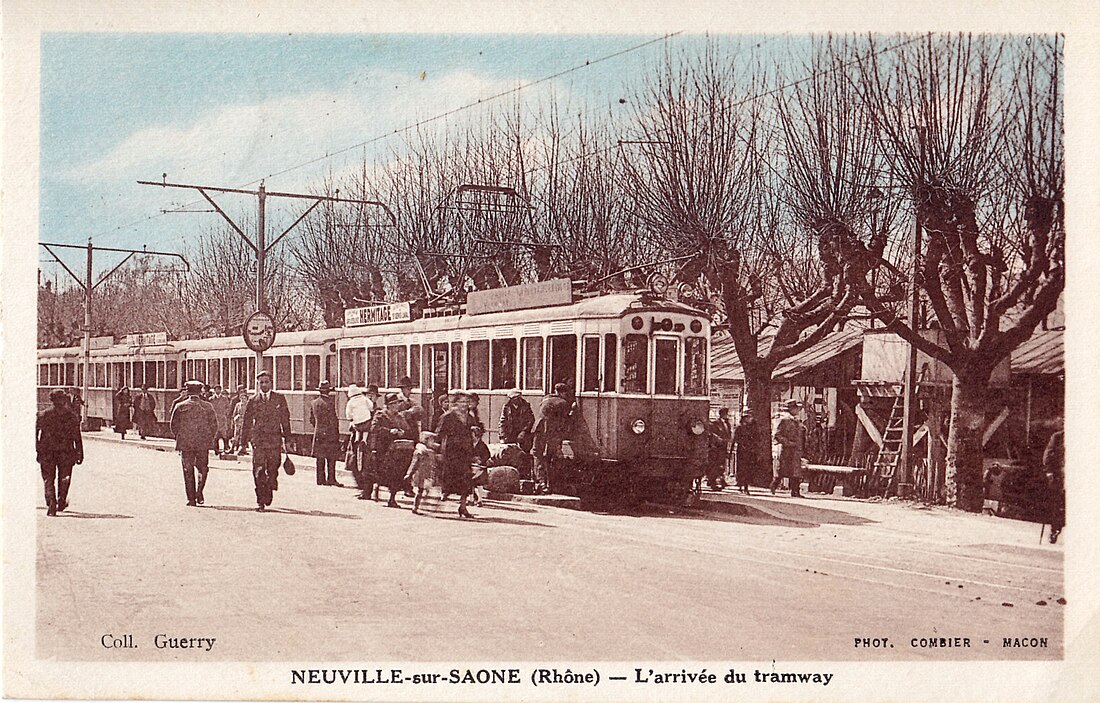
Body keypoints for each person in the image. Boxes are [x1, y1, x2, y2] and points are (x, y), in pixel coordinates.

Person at [240, 370, 292, 512]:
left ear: (271, 383)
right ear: (258, 384)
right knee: (258, 470)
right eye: (261, 382)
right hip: (258, 441)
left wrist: (288, 439)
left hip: (274, 440)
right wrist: (242, 443)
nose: (264, 385)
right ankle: (260, 501)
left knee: (273, 468)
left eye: (266, 382)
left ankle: (271, 483)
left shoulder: (279, 399)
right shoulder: (253, 400)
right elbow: (247, 422)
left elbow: (285, 420)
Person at [169, 380, 218, 507]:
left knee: (188, 470)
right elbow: (214, 425)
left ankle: (191, 499)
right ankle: (199, 492)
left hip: (186, 444)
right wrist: (209, 438)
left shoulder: (180, 406)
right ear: (200, 391)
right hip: (203, 443)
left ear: (187, 390)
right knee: (203, 468)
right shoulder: (208, 406)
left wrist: (179, 437)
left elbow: (173, 425)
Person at [36, 389, 83, 516]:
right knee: (65, 478)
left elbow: (36, 434)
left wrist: (38, 449)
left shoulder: (43, 415)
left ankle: (51, 503)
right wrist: (80, 452)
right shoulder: (71, 416)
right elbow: (77, 437)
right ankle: (61, 501)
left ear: (51, 400)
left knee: (48, 478)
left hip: (47, 452)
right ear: (63, 400)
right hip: (66, 452)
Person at [435, 390, 476, 518]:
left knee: (466, 479)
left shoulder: (470, 417)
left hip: (465, 452)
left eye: (466, 402)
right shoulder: (448, 416)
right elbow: (439, 434)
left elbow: (474, 431)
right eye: (462, 402)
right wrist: (438, 450)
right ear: (456, 403)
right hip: (452, 452)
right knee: (449, 478)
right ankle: (442, 499)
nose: (465, 405)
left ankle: (463, 507)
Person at [370, 393, 410, 507]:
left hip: (397, 450)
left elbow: (407, 429)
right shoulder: (380, 415)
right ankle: (377, 487)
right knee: (383, 473)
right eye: (395, 404)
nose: (397, 406)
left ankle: (392, 498)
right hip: (383, 448)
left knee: (396, 474)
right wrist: (389, 431)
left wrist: (402, 432)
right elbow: (374, 428)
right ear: (389, 405)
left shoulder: (399, 416)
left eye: (398, 403)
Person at [532, 383, 571, 494]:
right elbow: (564, 420)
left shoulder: (546, 399)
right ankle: (550, 484)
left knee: (537, 454)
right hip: (552, 431)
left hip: (539, 428)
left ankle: (540, 482)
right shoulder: (563, 403)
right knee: (551, 456)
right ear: (563, 392)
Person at [309, 380, 342, 487]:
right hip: (330, 434)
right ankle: (331, 479)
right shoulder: (329, 403)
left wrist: (318, 428)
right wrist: (336, 433)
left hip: (318, 434)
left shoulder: (314, 403)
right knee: (331, 458)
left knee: (320, 457)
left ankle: (320, 480)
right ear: (328, 391)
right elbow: (333, 420)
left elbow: (312, 420)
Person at [345, 384, 375, 500]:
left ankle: (365, 490)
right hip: (366, 425)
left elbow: (348, 414)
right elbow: (371, 407)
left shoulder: (352, 402)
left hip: (357, 426)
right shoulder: (365, 401)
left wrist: (351, 419)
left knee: (363, 465)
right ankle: (362, 439)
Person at [773, 399, 805, 497]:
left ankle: (795, 491)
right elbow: (777, 435)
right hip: (787, 450)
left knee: (796, 472)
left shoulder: (797, 421)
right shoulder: (784, 420)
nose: (797, 411)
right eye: (796, 409)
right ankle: (774, 485)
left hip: (796, 450)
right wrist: (788, 443)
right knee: (784, 470)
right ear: (791, 409)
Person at [404, 431, 441, 515]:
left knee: (424, 490)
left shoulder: (430, 451)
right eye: (432, 440)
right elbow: (414, 463)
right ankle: (415, 507)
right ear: (426, 440)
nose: (434, 443)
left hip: (427, 473)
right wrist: (409, 474)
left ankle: (419, 505)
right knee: (420, 490)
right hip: (420, 473)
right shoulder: (420, 451)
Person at [733, 409, 764, 495]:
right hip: (742, 451)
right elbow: (735, 439)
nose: (750, 418)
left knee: (749, 469)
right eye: (748, 417)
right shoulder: (740, 427)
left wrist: (756, 447)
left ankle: (746, 485)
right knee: (742, 468)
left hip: (751, 451)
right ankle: (741, 485)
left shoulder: (754, 428)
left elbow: (758, 438)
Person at [1043, 429, 1065, 544]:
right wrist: (1049, 471)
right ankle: (1054, 530)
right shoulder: (1058, 437)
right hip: (1060, 475)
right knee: (1057, 504)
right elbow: (1048, 454)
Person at [706, 408, 733, 491]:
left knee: (722, 465)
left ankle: (721, 480)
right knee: (715, 465)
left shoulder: (727, 423)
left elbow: (729, 434)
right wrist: (718, 440)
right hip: (716, 448)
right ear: (721, 414)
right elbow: (712, 434)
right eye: (725, 413)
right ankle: (713, 482)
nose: (726, 415)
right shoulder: (715, 424)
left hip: (723, 447)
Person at [468, 424, 491, 506]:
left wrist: (481, 460)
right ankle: (471, 500)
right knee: (470, 483)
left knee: (479, 484)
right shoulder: (469, 445)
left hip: (480, 467)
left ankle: (480, 500)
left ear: (477, 436)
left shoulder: (482, 445)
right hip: (471, 466)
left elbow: (487, 455)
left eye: (472, 435)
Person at [209, 385, 231, 453]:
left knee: (224, 434)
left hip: (222, 418)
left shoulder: (224, 399)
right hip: (215, 418)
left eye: (219, 389)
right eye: (216, 389)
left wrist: (226, 414)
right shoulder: (211, 399)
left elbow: (228, 407)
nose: (218, 391)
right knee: (215, 434)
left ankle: (225, 447)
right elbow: (210, 409)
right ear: (214, 390)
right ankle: (216, 449)